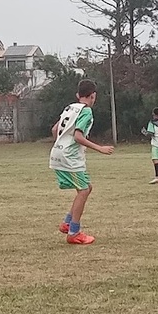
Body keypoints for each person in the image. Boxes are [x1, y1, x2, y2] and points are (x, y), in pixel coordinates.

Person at [50, 79, 114, 245]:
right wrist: (100, 148)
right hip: (69, 157)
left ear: (78, 95)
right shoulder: (86, 112)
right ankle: (74, 232)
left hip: (58, 153)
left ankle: (67, 223)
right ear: (93, 96)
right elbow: (78, 136)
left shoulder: (70, 108)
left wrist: (61, 144)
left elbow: (55, 130)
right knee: (83, 190)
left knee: (86, 187)